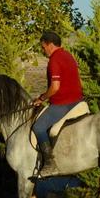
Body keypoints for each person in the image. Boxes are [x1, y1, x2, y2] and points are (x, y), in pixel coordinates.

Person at [30, 31, 84, 178]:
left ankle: (49, 164)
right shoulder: (68, 55)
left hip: (63, 103)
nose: (43, 50)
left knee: (38, 127)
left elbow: (55, 87)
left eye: (43, 47)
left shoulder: (55, 59)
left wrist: (41, 98)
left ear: (50, 44)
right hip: (77, 101)